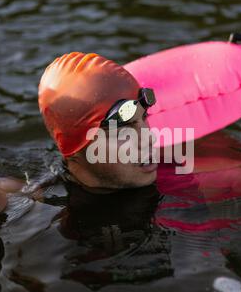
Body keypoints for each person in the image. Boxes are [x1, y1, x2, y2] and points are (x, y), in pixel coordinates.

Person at [38, 52, 158, 193]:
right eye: (122, 131)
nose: (149, 138)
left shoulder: (180, 167)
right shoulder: (46, 207)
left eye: (145, 116)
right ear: (73, 149)